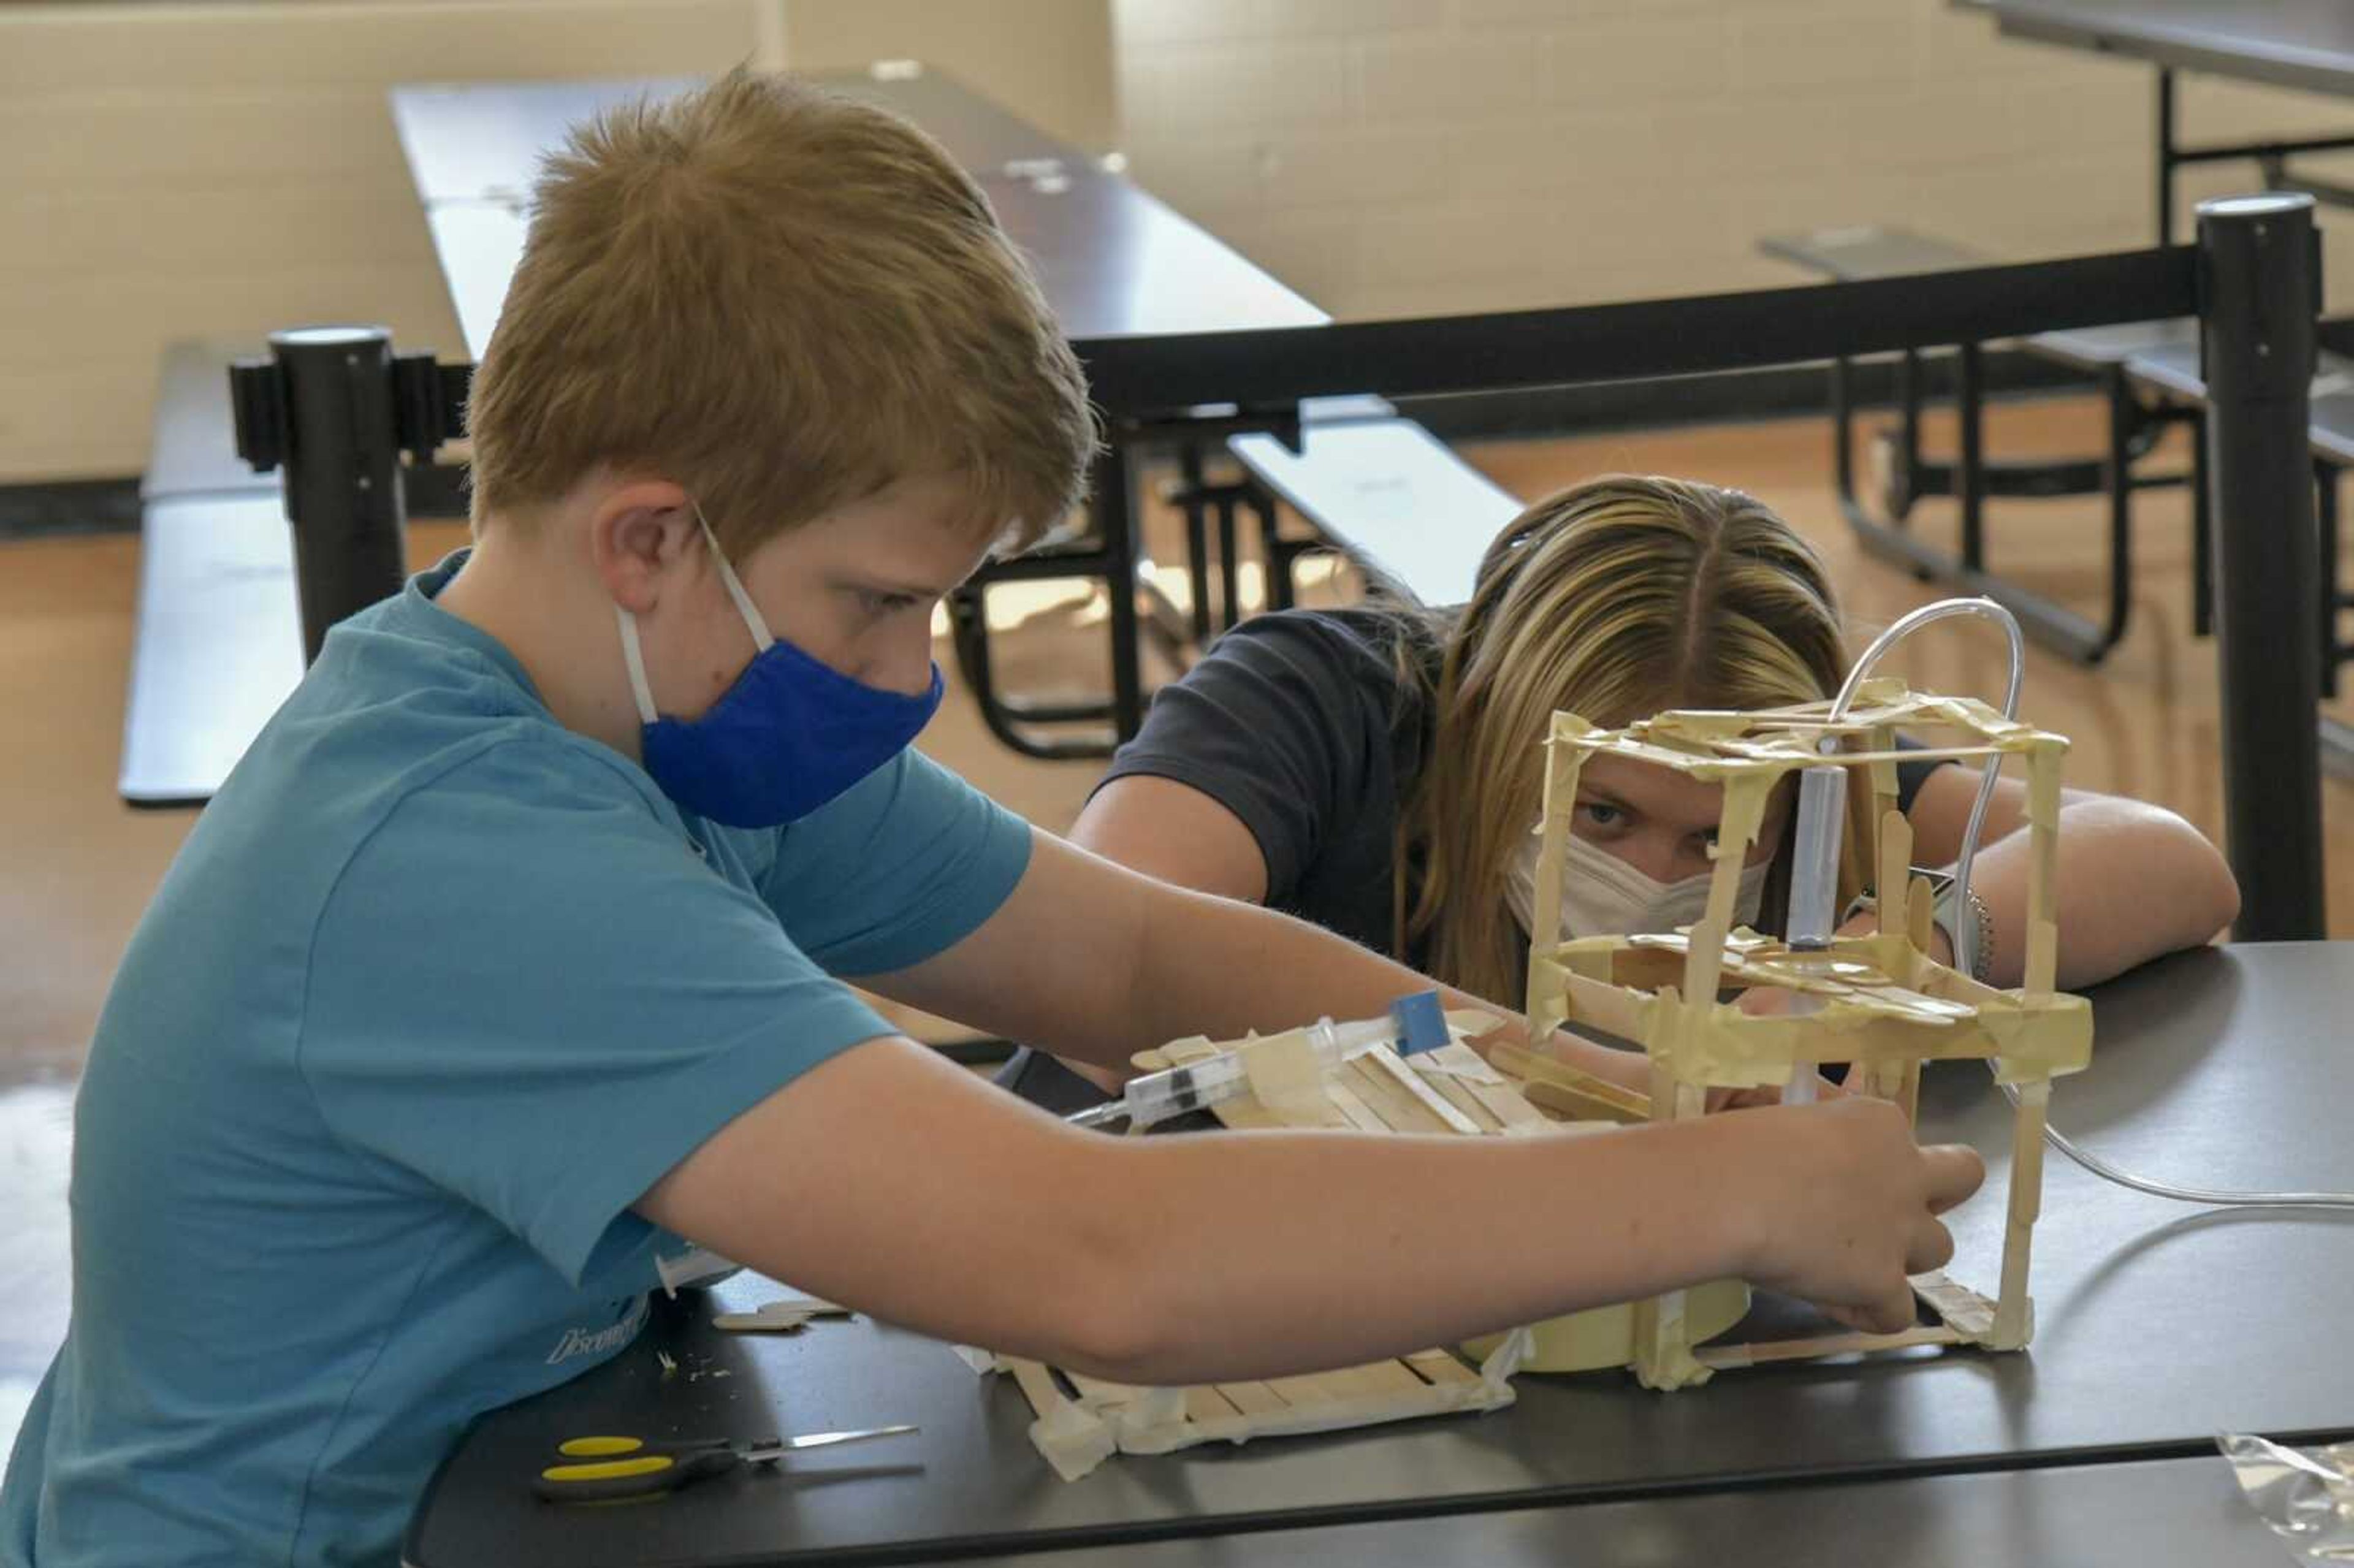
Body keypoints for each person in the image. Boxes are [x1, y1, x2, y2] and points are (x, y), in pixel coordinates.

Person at [0, 75, 1981, 1568]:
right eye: (876, 595)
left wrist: (1585, 1078)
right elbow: (1092, 1251)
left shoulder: (643, 714)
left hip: (505, 1468)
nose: (902, 665)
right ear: (648, 537)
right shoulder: (459, 856)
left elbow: (1123, 953)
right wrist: (1725, 1195)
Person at [1073, 476, 2241, 1014]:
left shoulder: (1809, 765)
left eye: (1716, 834)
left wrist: (1909, 939)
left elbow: (2168, 860)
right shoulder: (1317, 700)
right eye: (1602, 814)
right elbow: (1101, 952)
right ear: (1489, 718)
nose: (1654, 883)